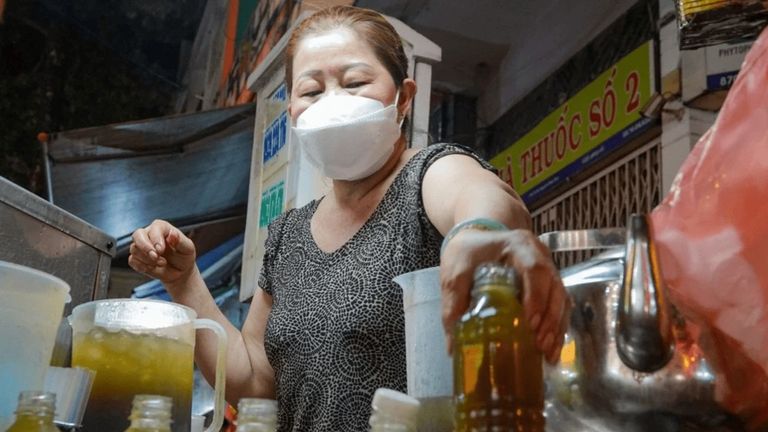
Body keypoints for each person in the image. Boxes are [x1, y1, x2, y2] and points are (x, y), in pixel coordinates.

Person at [128, 6, 568, 432]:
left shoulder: (428, 175)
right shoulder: (287, 235)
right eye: (311, 91)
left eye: (355, 82)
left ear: (404, 99)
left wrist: (482, 232)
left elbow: (482, 196)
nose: (333, 102)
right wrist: (184, 282)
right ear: (294, 115)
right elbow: (258, 384)